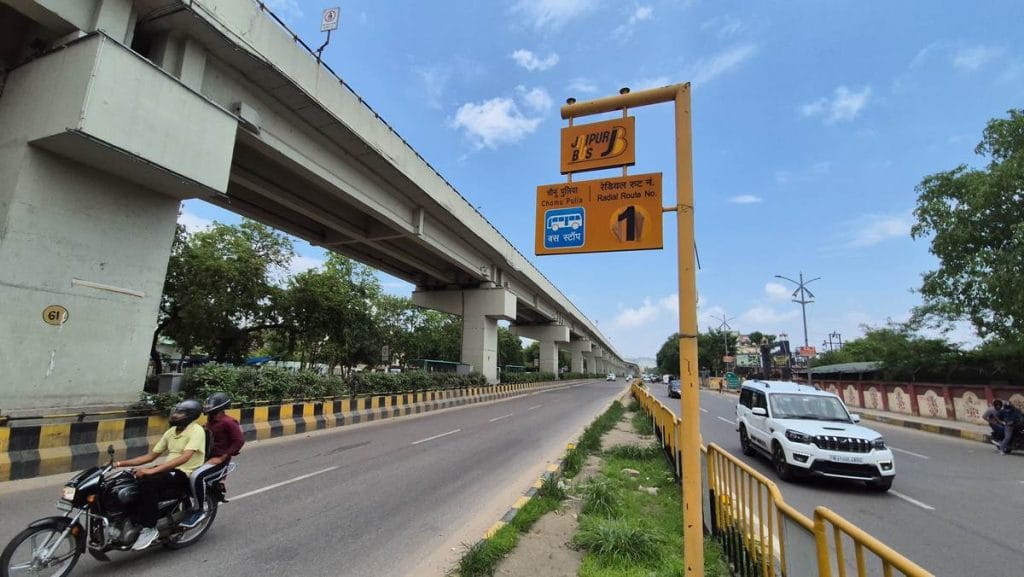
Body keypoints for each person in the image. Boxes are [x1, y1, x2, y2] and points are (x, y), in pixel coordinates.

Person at [115, 399, 206, 550]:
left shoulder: (196, 430)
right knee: (128, 480)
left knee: (148, 482)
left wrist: (151, 470)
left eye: (180, 413)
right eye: (176, 412)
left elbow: (185, 457)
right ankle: (130, 520)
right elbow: (151, 456)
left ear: (190, 415)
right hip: (168, 470)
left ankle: (150, 527)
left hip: (183, 473)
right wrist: (119, 464)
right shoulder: (171, 432)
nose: (175, 415)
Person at [181, 392, 245, 528]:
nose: (208, 407)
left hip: (218, 460)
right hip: (204, 457)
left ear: (221, 407)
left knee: (196, 477)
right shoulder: (209, 422)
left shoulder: (228, 422)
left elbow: (239, 441)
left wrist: (222, 457)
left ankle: (198, 511)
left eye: (211, 404)